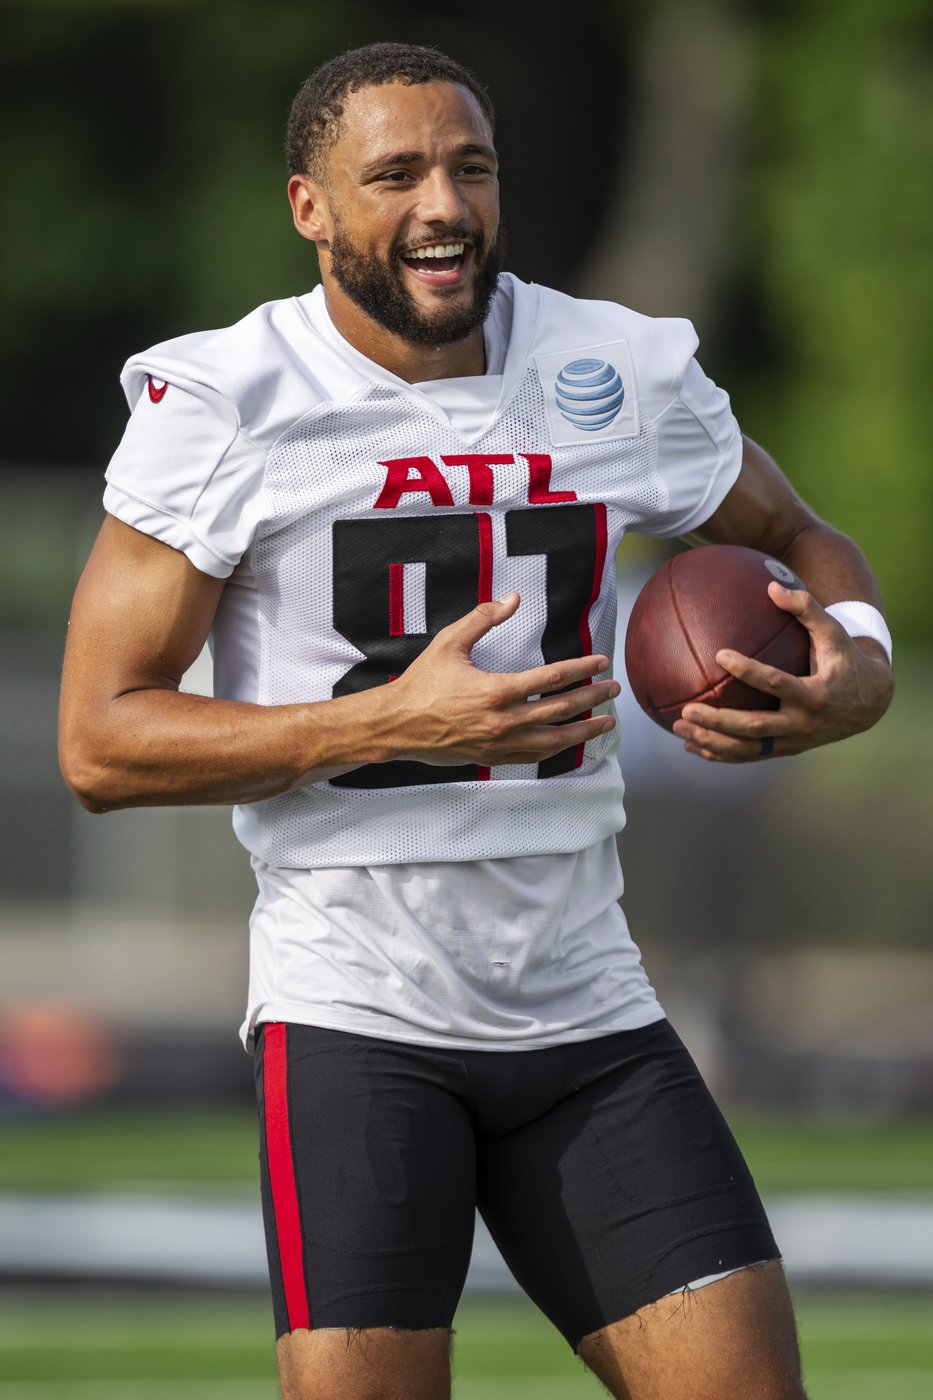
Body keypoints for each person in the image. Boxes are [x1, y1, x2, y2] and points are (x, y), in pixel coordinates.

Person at [59, 41, 893, 1400]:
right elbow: (98, 741)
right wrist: (386, 721)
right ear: (307, 208)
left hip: (586, 1004)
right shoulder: (225, 402)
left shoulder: (609, 365)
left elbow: (795, 530)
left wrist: (856, 659)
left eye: (469, 168)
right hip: (354, 1016)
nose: (442, 206)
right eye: (394, 175)